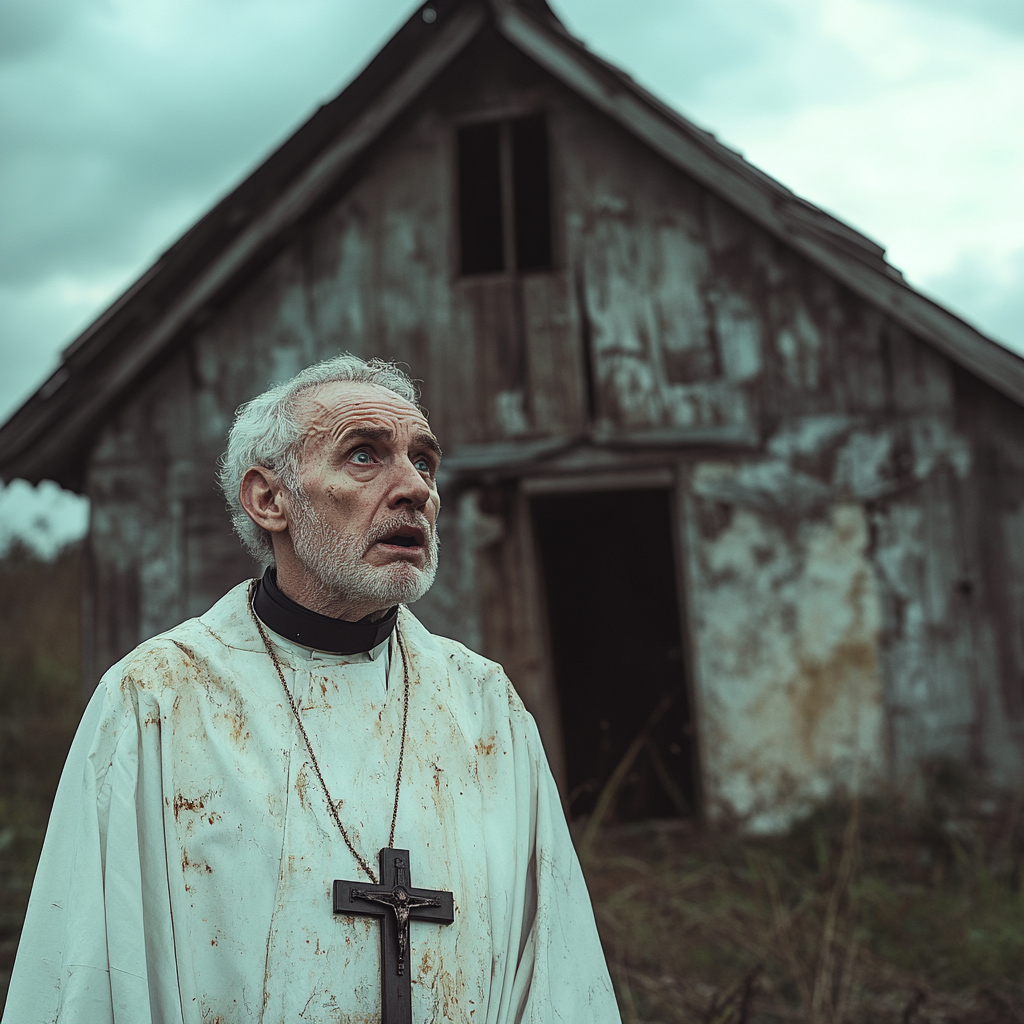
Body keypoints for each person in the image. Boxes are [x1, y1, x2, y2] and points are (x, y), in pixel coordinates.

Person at [3, 355, 620, 1024]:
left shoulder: (484, 707)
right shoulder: (156, 698)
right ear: (269, 500)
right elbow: (88, 973)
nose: (414, 487)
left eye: (424, 462)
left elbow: (558, 975)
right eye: (364, 456)